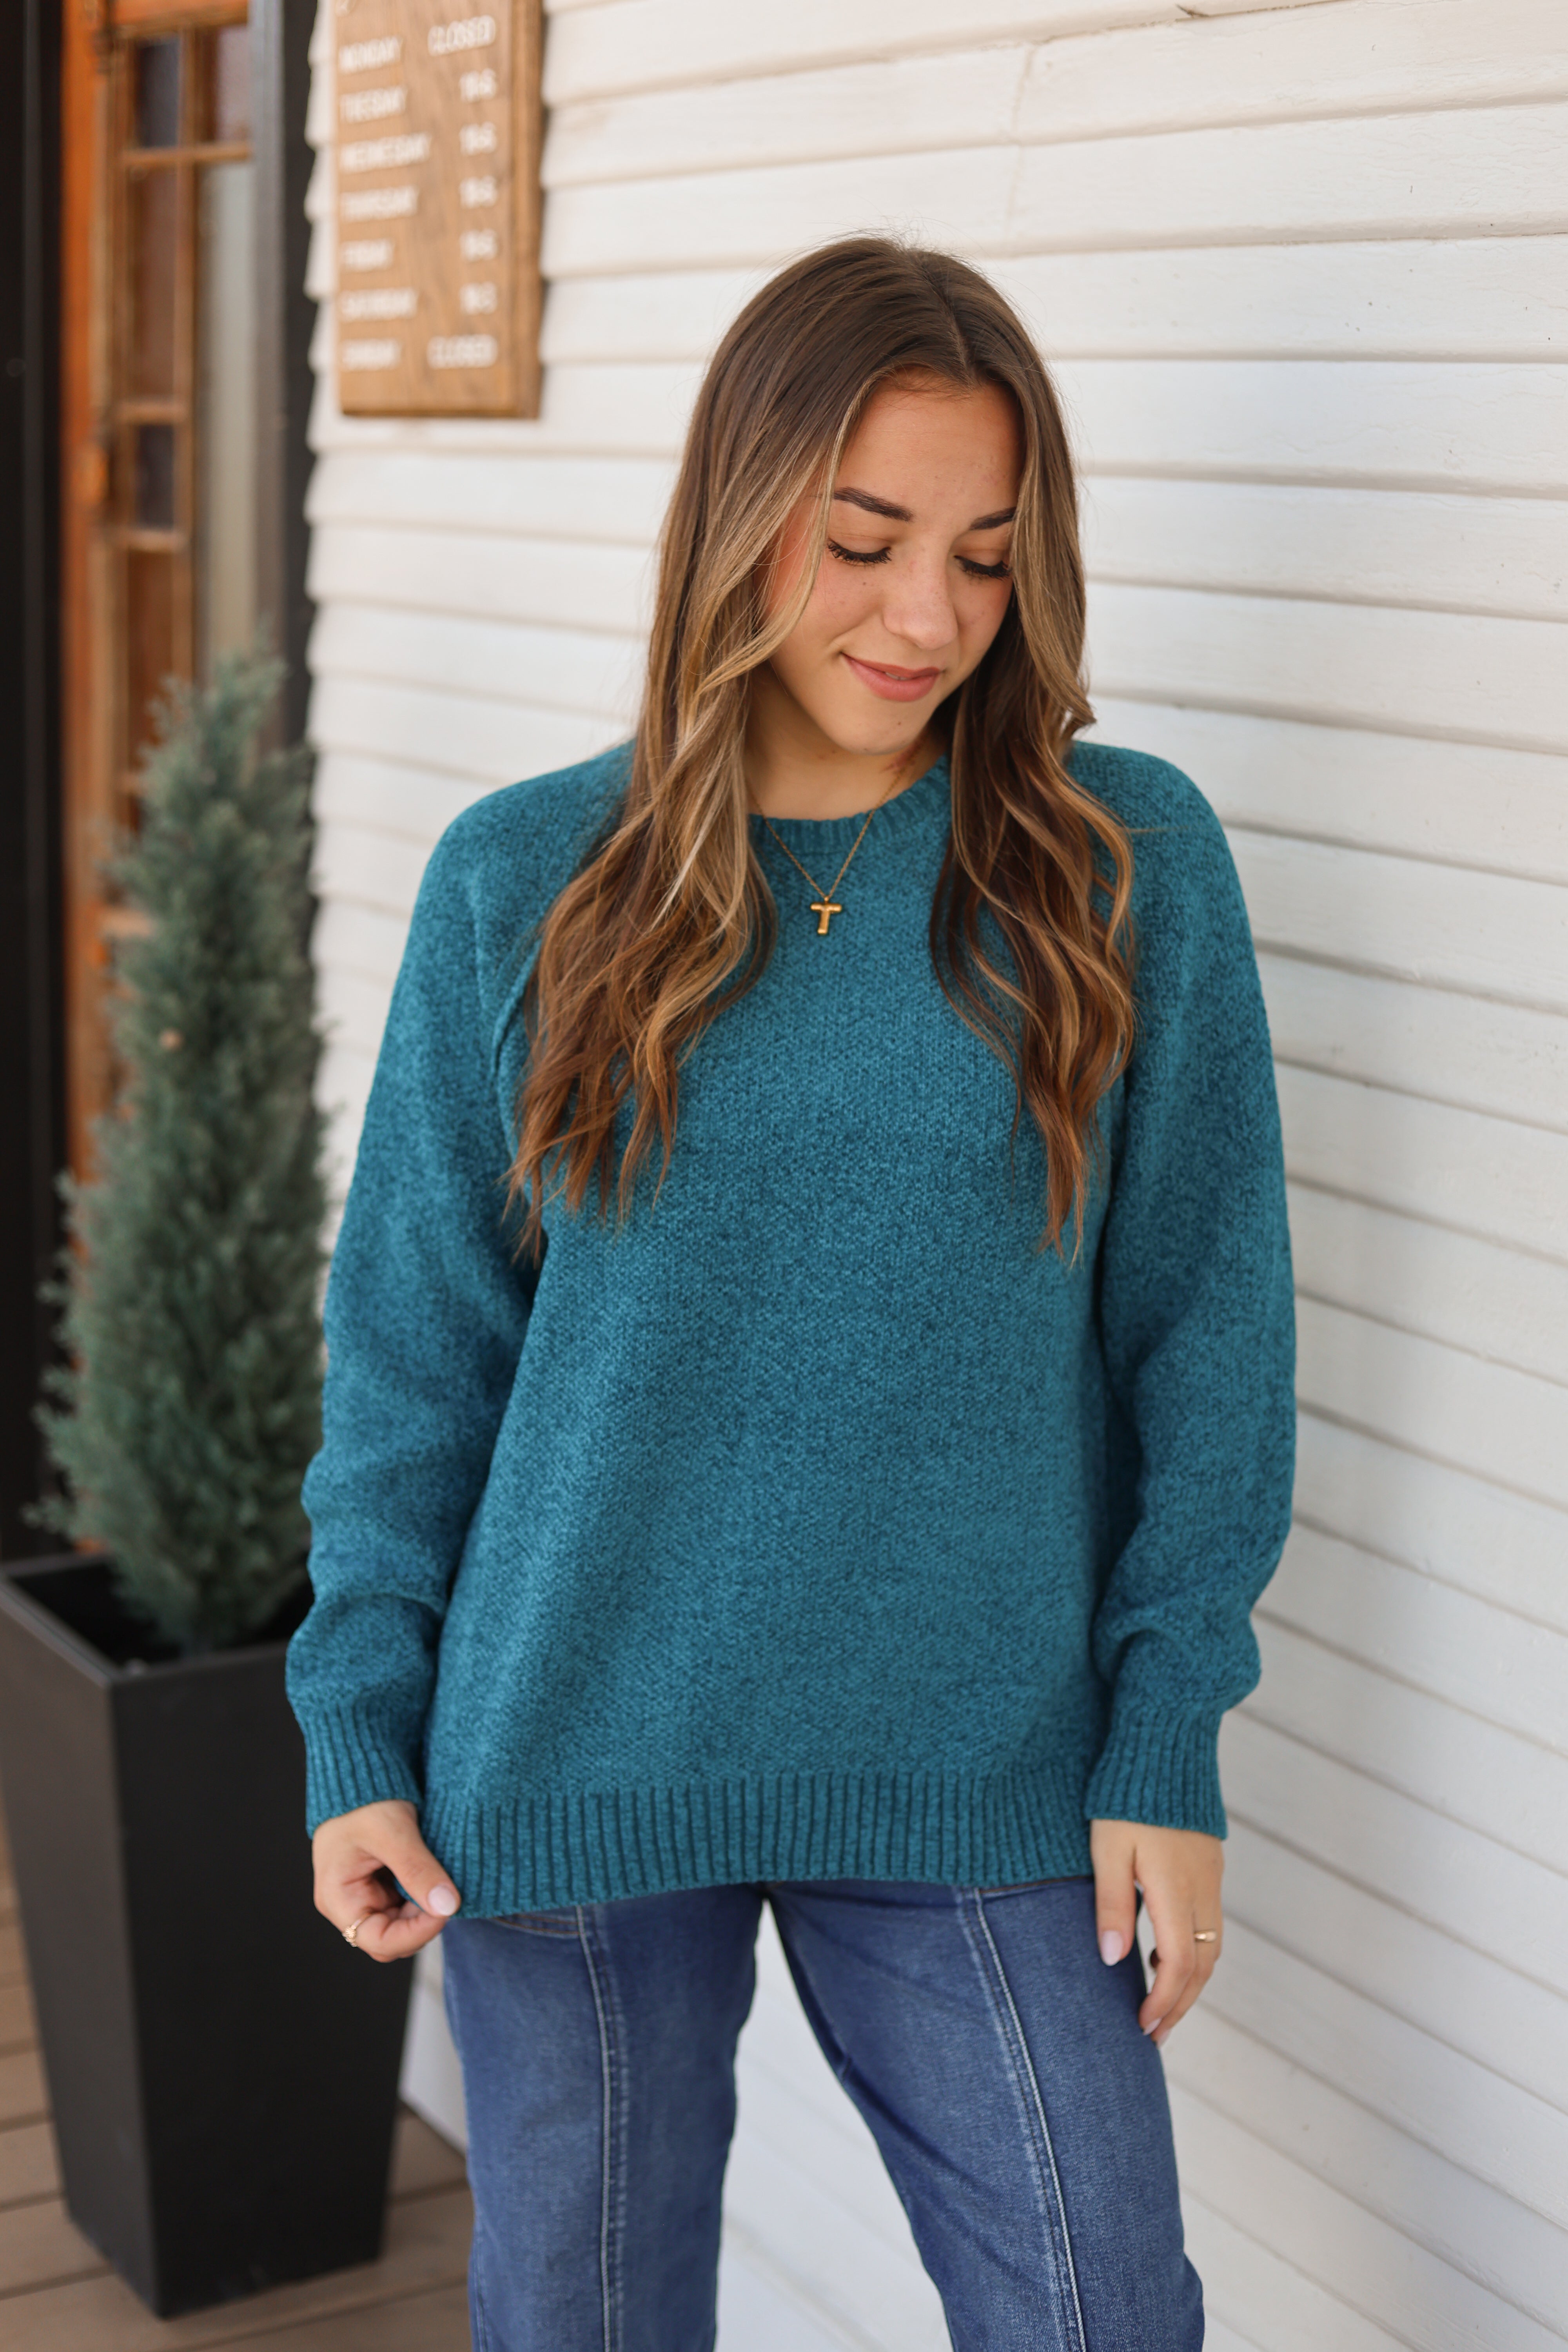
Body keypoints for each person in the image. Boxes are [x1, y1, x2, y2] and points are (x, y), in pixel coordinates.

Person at [287, 236, 1296, 2351]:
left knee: (1103, 2310)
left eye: (987, 557)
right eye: (863, 542)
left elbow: (1208, 1329)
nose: (929, 617)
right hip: (567, 1752)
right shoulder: (523, 883)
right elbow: (416, 1361)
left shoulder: (1118, 866)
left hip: (983, 1752)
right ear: (739, 519)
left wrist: (1167, 1731)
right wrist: (356, 1714)